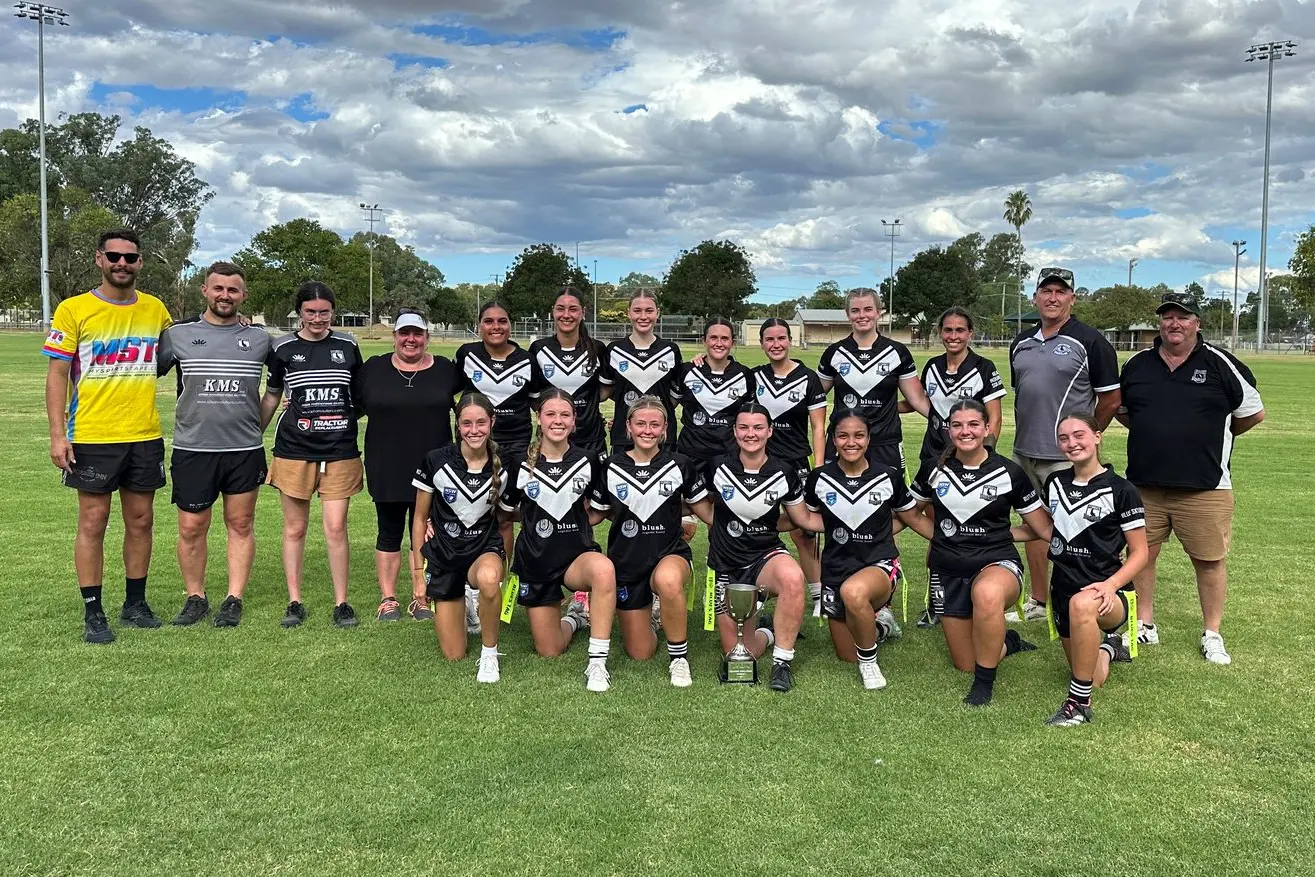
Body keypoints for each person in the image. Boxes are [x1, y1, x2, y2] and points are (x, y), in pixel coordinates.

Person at [1117, 291, 1264, 665]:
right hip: (1145, 486)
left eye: (1183, 317)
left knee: (1209, 560)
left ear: (1197, 323)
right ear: (1160, 323)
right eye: (1167, 317)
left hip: (1205, 488)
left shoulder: (1220, 364)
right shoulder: (1137, 365)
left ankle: (1212, 633)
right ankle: (1144, 623)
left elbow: (1252, 414)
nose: (1174, 323)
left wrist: (1211, 438)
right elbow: (1122, 410)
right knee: (1141, 556)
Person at [42, 229, 173, 643]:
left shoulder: (156, 310)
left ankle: (135, 604)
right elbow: (57, 375)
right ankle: (93, 611)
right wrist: (57, 435)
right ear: (99, 259)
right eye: (113, 256)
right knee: (93, 522)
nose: (122, 264)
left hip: (143, 433)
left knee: (140, 521)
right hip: (93, 435)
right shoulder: (73, 309)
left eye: (130, 257)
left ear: (140, 262)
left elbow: (184, 347)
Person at [908, 398, 1053, 706]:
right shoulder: (933, 469)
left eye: (973, 424)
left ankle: (983, 684)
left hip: (996, 564)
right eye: (957, 425)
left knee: (987, 594)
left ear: (987, 428)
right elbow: (909, 513)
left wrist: (1001, 535)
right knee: (966, 661)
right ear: (948, 430)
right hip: (948, 569)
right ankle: (1008, 641)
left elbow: (1041, 529)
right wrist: (940, 537)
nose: (965, 431)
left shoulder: (1009, 472)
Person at [156, 261, 271, 629]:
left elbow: (289, 371)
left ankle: (233, 597)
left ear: (244, 295)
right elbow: (142, 372)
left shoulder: (261, 338)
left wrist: (260, 422)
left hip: (243, 449)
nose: (225, 295)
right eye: (218, 288)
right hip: (193, 448)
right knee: (191, 526)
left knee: (240, 524)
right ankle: (195, 597)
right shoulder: (178, 335)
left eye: (232, 290)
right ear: (204, 290)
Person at [1007, 267, 1120, 621]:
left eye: (1061, 291)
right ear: (1035, 297)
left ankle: (1083, 602)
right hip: (1025, 452)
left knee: (1079, 531)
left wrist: (1085, 442)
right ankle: (1039, 602)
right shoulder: (1020, 343)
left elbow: (1111, 399)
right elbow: (1026, 395)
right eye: (1046, 291)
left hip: (1065, 458)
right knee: (1036, 528)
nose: (1052, 298)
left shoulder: (1091, 341)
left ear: (1073, 297)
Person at [498, 389, 619, 691]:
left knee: (604, 569)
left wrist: (570, 523)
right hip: (536, 561)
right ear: (539, 419)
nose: (558, 420)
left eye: (565, 414)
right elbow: (504, 512)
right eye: (550, 414)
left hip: (575, 558)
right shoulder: (518, 463)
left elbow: (598, 511)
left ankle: (597, 662)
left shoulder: (589, 460)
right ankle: (576, 618)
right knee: (550, 650)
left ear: (574, 421)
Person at [691, 403, 814, 692]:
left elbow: (799, 519)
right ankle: (768, 632)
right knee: (738, 652)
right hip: (726, 563)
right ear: (734, 431)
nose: (751, 434)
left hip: (764, 556)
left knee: (793, 578)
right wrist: (724, 524)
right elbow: (700, 503)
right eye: (744, 427)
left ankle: (782, 663)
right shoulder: (717, 465)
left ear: (769, 431)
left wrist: (841, 522)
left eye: (758, 427)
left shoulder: (784, 470)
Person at [262, 282, 364, 629]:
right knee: (294, 528)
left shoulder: (348, 345)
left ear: (332, 312)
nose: (317, 318)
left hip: (339, 449)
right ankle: (294, 600)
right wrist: (254, 434)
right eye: (310, 312)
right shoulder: (283, 347)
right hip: (294, 450)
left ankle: (342, 603)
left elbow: (360, 395)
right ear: (299, 313)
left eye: (324, 312)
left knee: (336, 528)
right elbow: (273, 394)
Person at [803, 411, 926, 690]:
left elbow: (911, 518)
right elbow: (807, 519)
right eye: (843, 436)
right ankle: (882, 625)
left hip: (879, 565)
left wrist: (947, 536)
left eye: (859, 435)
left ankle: (869, 665)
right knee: (846, 655)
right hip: (836, 569)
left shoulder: (888, 476)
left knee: (854, 593)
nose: (851, 442)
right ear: (833, 439)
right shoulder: (819, 478)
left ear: (869, 439)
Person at [592, 396, 711, 686]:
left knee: (669, 580)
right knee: (640, 652)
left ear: (665, 429)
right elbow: (596, 514)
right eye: (641, 423)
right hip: (627, 562)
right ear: (628, 427)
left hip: (669, 553)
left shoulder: (680, 464)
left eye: (654, 424)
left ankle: (679, 658)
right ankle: (656, 615)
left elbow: (705, 511)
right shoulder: (609, 466)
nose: (647, 430)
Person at [1042, 414, 1148, 726]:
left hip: (1108, 596)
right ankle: (1111, 647)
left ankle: (1078, 705)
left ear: (1098, 437)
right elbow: (1045, 528)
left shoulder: (1122, 489)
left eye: (1079, 435)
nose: (1072, 443)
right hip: (1062, 589)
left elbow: (1140, 552)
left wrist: (1111, 585)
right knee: (1091, 673)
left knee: (1081, 604)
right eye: (1064, 438)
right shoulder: (1055, 483)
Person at [356, 310, 460, 622]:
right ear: (395, 337)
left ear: (427, 337)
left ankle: (421, 596)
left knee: (428, 533)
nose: (410, 340)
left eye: (417, 334)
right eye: (404, 333)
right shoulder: (373, 369)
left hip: (434, 470)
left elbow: (471, 402)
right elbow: (351, 404)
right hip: (386, 465)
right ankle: (388, 598)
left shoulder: (446, 369)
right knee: (388, 532)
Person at [914, 306, 1007, 627]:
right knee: (940, 534)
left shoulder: (983, 367)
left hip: (970, 461)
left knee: (972, 530)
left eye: (960, 330)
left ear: (970, 334)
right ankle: (936, 602)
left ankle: (981, 595)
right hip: (934, 458)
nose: (953, 336)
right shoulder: (932, 366)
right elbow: (922, 403)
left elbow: (994, 417)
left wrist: (985, 456)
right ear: (940, 333)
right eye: (948, 330)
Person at [410, 393, 507, 681]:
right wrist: (417, 574)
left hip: (483, 551)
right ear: (458, 425)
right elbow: (418, 518)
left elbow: (505, 522)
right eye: (466, 423)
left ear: (492, 422)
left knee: (489, 579)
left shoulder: (505, 466)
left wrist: (506, 571)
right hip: (445, 554)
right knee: (454, 654)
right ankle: (465, 600)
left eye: (480, 422)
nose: (474, 430)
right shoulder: (436, 461)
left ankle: (490, 654)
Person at [454, 300, 534, 632]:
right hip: (477, 447)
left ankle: (496, 586)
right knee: (473, 514)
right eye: (488, 321)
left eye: (502, 320)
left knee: (505, 518)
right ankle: (472, 589)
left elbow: (545, 399)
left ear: (511, 324)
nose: (496, 326)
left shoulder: (528, 359)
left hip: (516, 450)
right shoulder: (466, 354)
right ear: (479, 325)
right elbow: (447, 391)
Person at [751, 318, 828, 615]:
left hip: (797, 463)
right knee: (757, 522)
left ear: (790, 340)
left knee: (802, 531)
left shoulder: (808, 378)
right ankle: (758, 585)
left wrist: (819, 471)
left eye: (781, 338)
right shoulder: (753, 377)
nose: (776, 344)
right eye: (769, 339)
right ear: (762, 344)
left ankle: (819, 595)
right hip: (761, 465)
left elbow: (818, 428)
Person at [816, 287, 929, 475]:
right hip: (844, 441)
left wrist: (949, 423)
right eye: (855, 310)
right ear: (847, 314)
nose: (862, 315)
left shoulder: (897, 352)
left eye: (868, 309)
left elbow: (917, 400)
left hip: (885, 442)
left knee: (891, 501)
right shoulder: (834, 353)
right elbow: (814, 399)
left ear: (879, 312)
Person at [673, 317, 756, 487]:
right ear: (704, 340)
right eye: (713, 338)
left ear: (732, 342)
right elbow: (667, 405)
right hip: (690, 453)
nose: (719, 343)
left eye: (725, 338)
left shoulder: (745, 375)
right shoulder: (687, 371)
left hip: (728, 455)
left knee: (722, 508)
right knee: (682, 506)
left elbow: (749, 416)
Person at [529, 287, 611, 457]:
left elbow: (605, 390)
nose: (566, 315)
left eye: (573, 309)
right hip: (551, 440)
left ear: (583, 313)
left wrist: (590, 407)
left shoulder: (597, 349)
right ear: (553, 311)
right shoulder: (538, 349)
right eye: (560, 308)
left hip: (591, 440)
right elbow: (534, 397)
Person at [602, 288, 682, 452]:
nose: (643, 316)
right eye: (637, 311)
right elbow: (605, 390)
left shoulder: (671, 350)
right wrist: (628, 408)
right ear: (629, 313)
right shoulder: (615, 350)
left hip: (662, 437)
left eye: (649, 311)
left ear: (657, 313)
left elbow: (673, 397)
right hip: (623, 436)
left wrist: (654, 410)